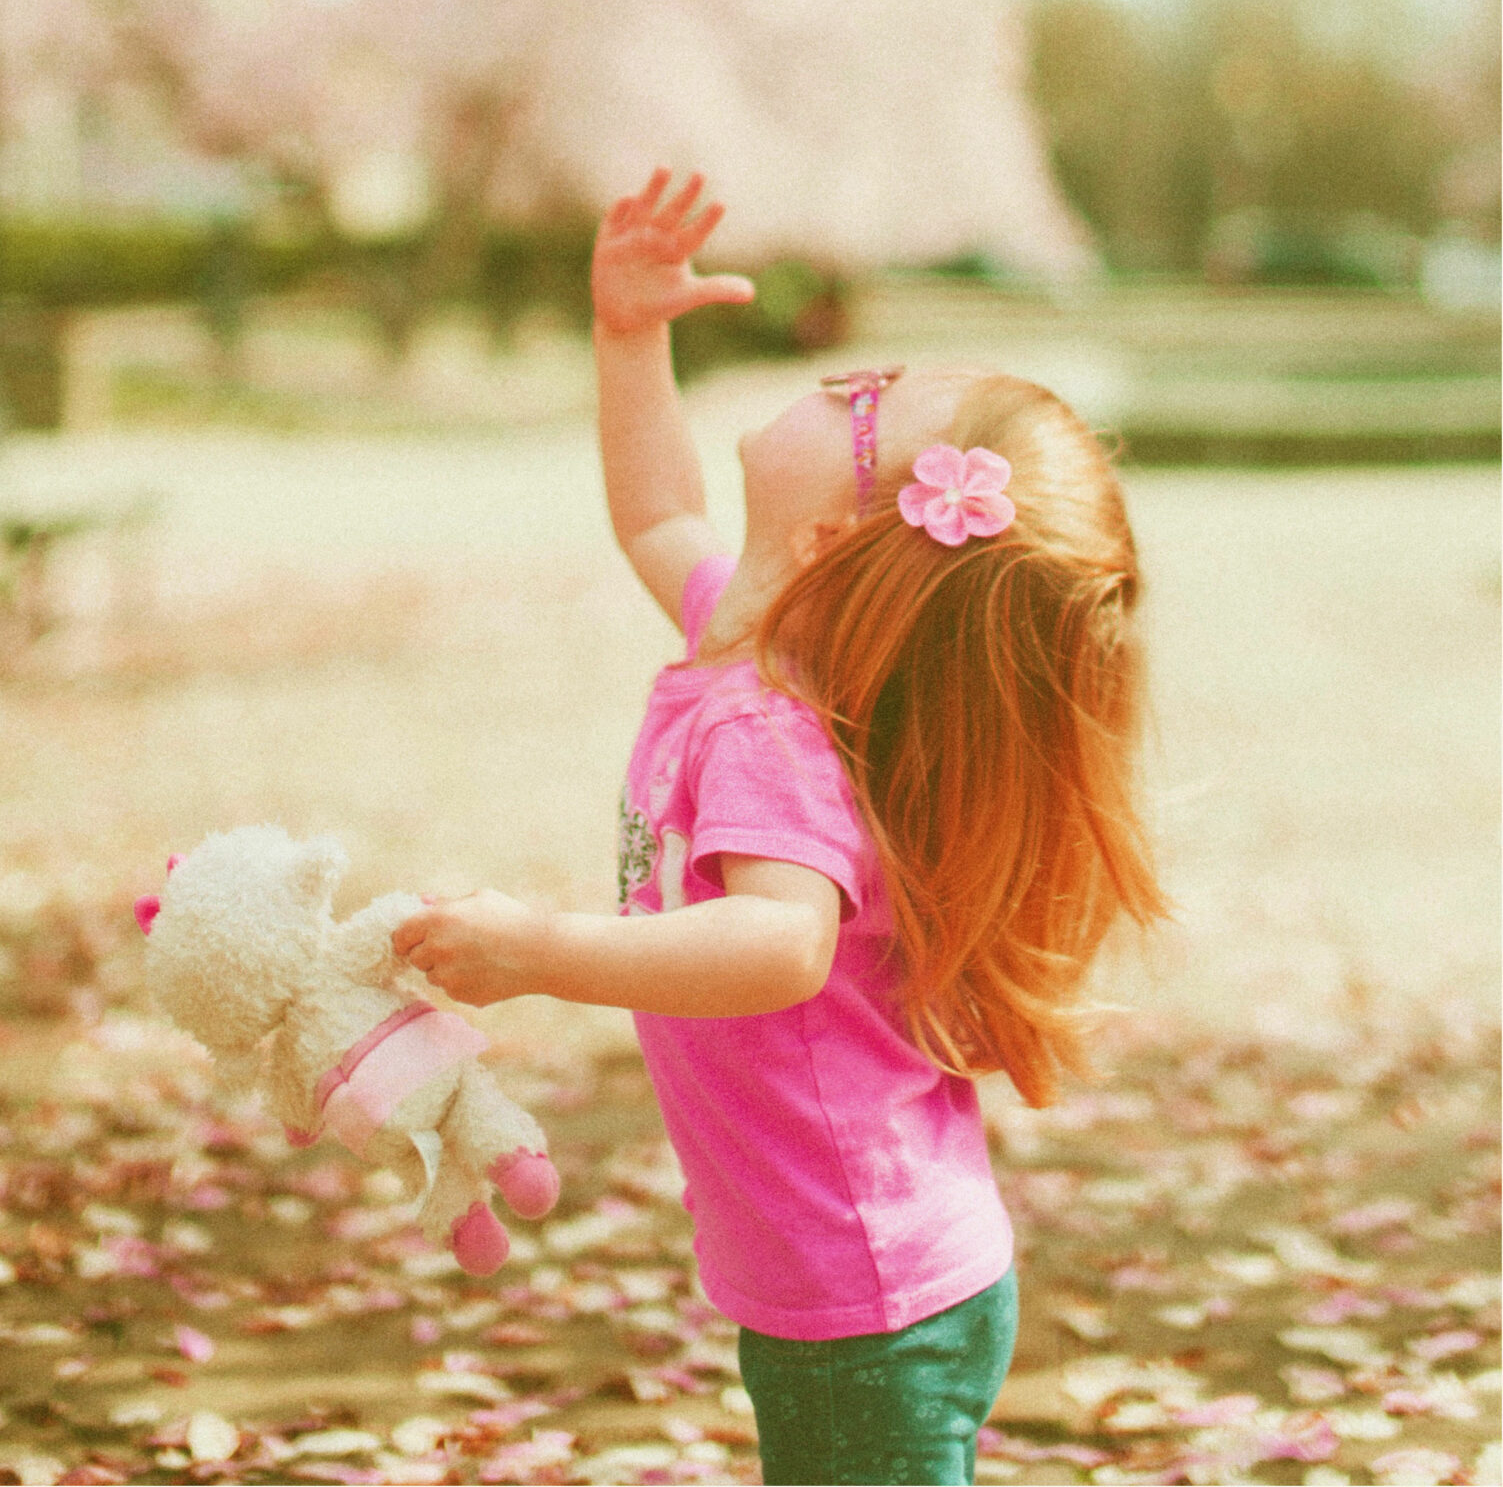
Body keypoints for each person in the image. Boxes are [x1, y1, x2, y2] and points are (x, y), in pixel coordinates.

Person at [394, 169, 1168, 1485]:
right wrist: (632, 337)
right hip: (864, 1268)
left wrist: (539, 949)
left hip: (867, 1296)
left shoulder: (771, 727)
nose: (848, 375)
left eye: (868, 405)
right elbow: (654, 513)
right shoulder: (746, 638)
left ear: (825, 538)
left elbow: (777, 945)